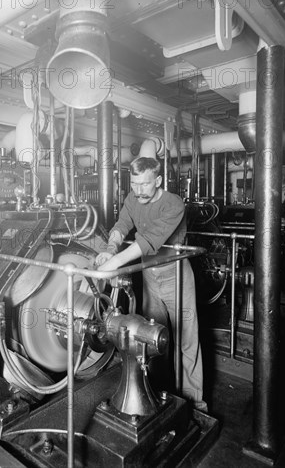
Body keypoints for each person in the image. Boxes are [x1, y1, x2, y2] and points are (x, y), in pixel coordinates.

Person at [95, 156, 206, 411]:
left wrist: (114, 262)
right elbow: (122, 225)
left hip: (175, 274)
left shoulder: (173, 204)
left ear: (158, 180)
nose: (138, 191)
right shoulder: (133, 198)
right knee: (150, 336)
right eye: (134, 184)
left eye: (144, 184)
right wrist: (110, 249)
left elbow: (148, 240)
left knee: (186, 339)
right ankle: (157, 394)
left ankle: (196, 403)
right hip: (149, 276)